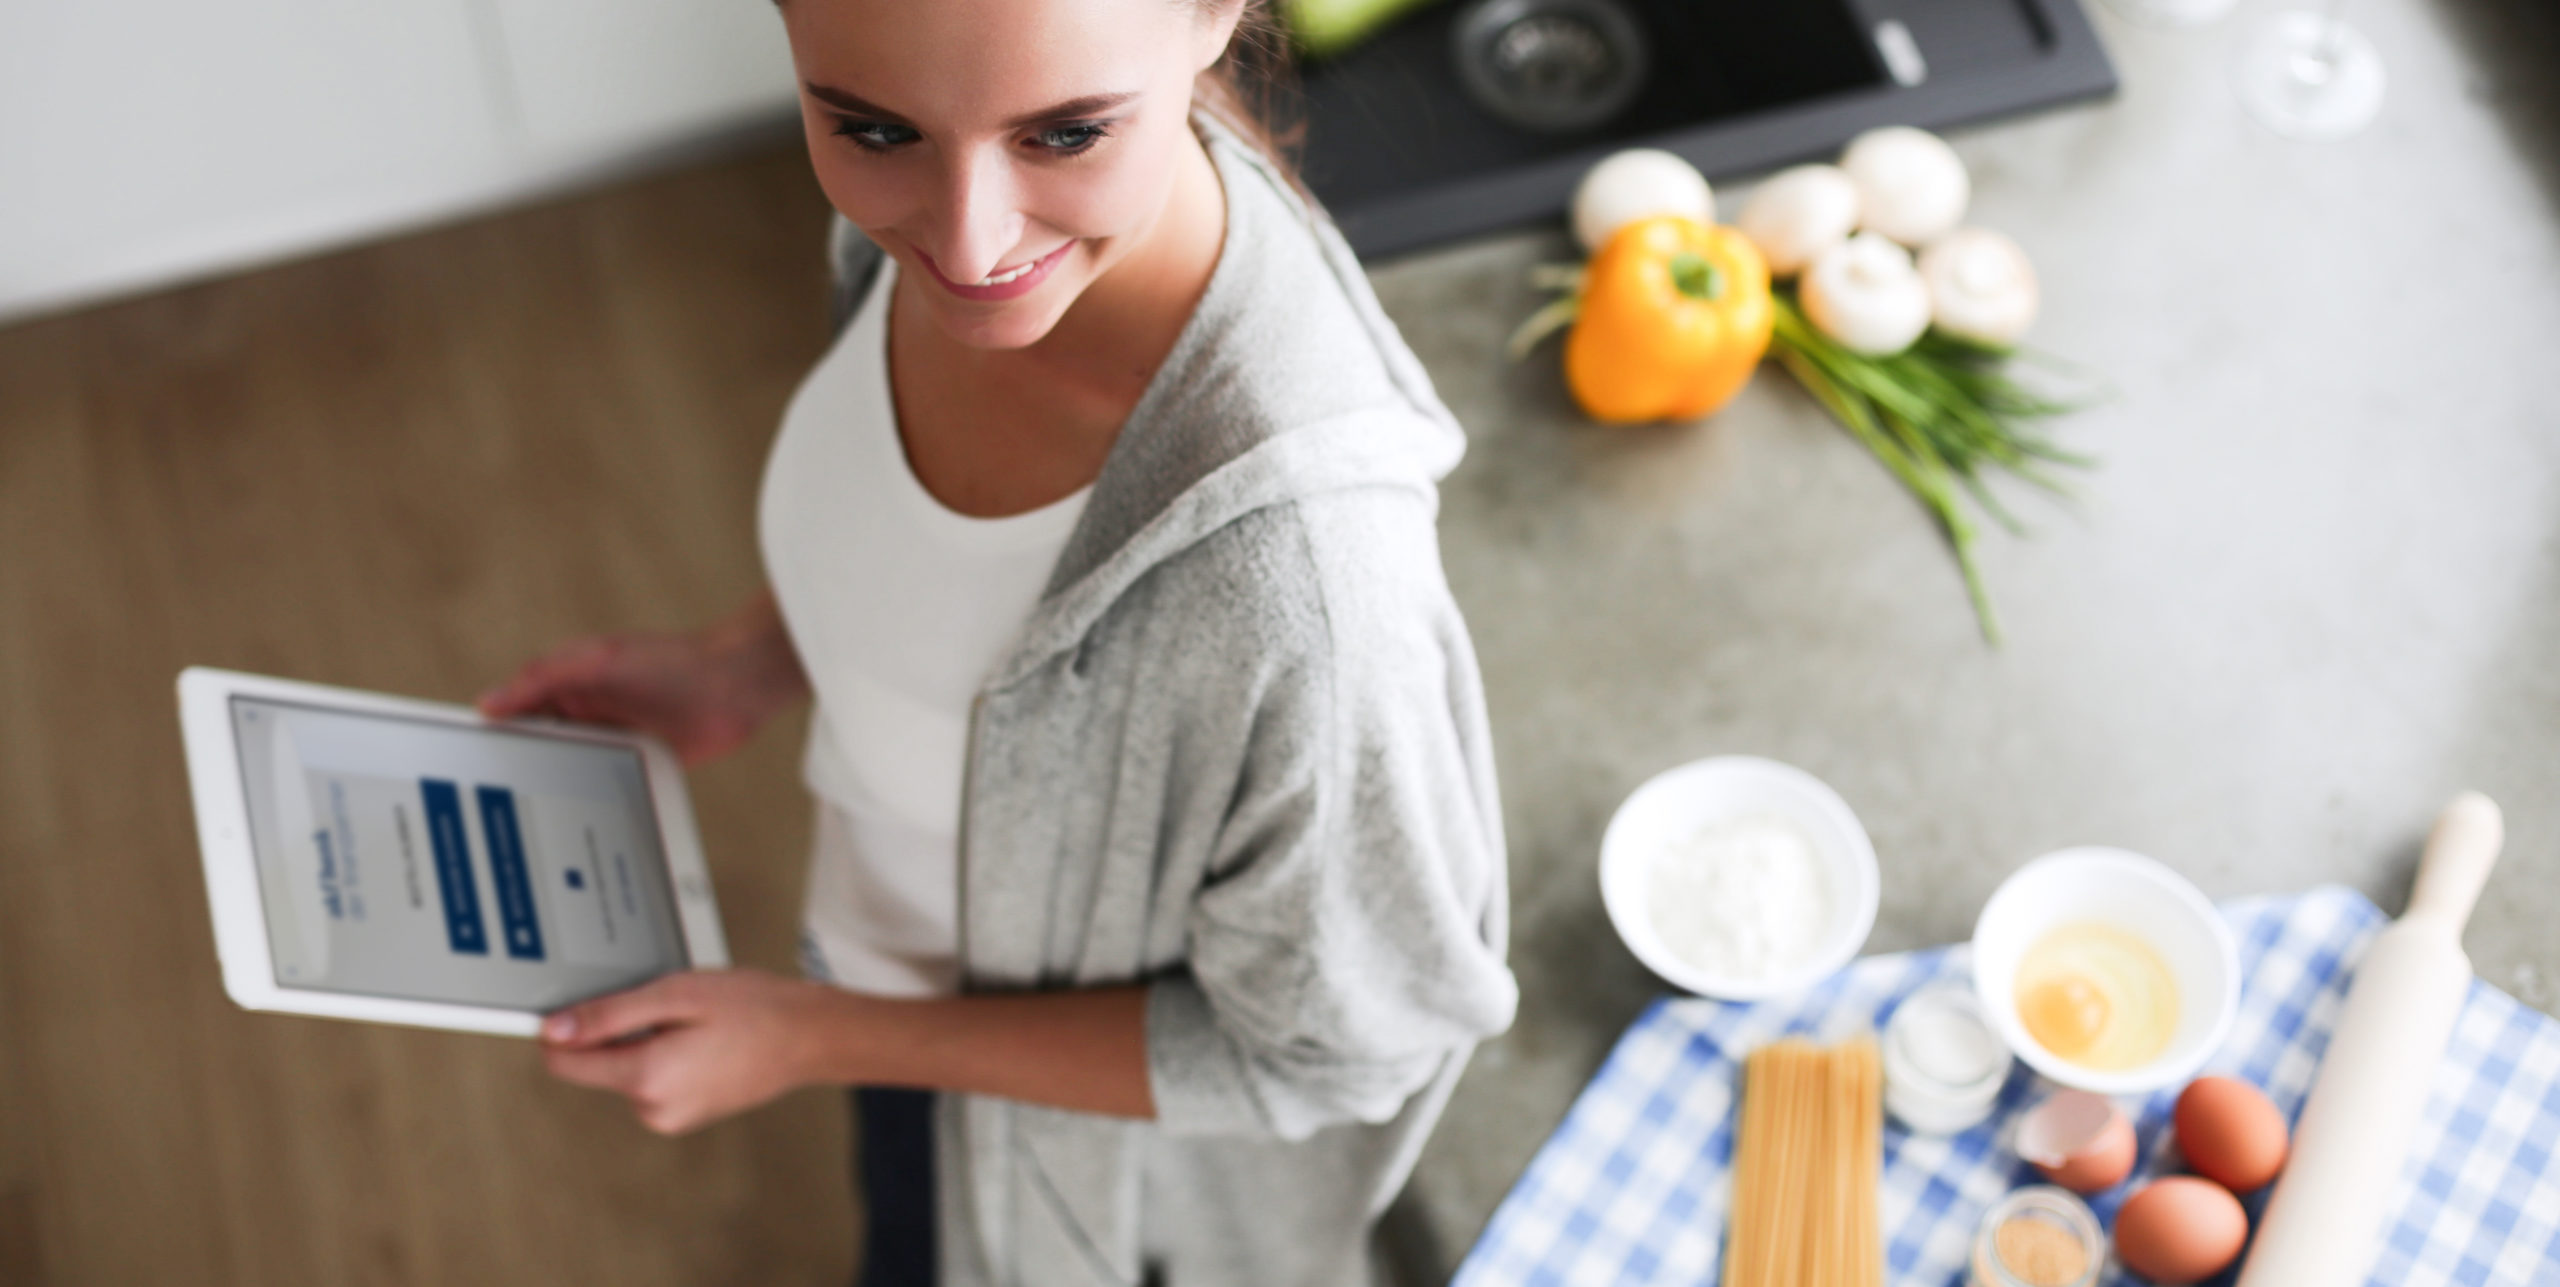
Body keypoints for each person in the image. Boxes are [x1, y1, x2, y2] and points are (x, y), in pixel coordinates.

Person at [476, 0, 1517, 1283]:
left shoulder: (1302, 592)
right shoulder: (923, 230)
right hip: (878, 987)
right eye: (869, 128)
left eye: (1067, 134)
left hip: (1043, 1175)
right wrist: (747, 661)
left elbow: (1343, 1047)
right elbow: (947, 568)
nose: (968, 241)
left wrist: (818, 1038)